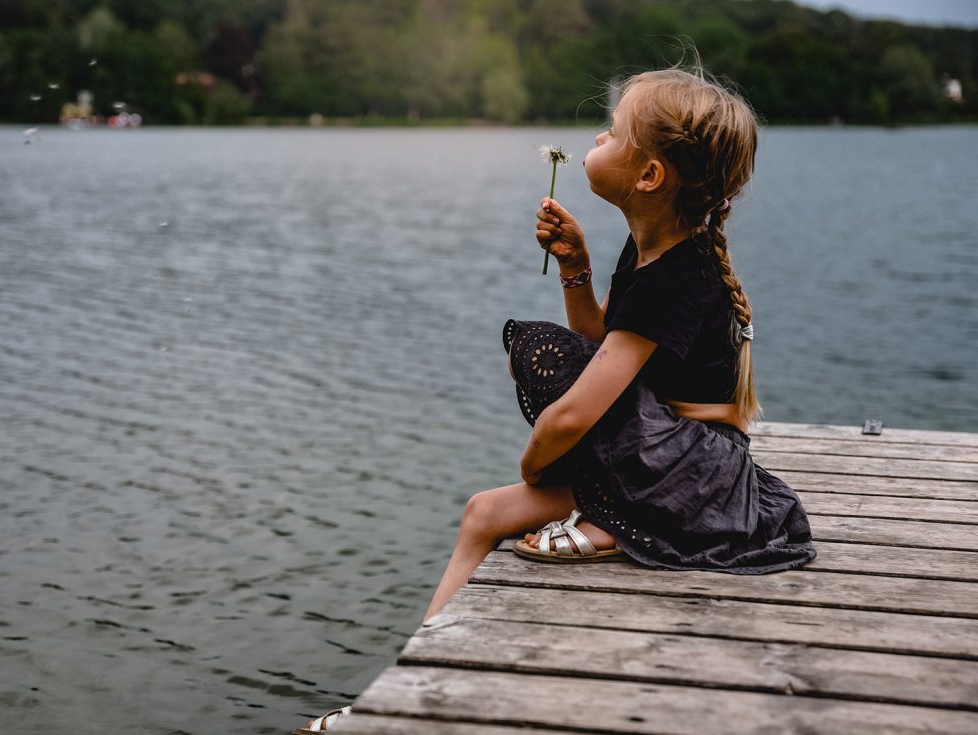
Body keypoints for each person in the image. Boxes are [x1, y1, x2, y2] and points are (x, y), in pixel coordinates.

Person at [292, 63, 817, 734]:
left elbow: (574, 410)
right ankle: (397, 696)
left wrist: (537, 462)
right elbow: (604, 347)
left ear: (649, 175)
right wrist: (576, 266)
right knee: (484, 513)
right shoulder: (649, 252)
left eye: (613, 131)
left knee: (542, 351)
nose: (597, 136)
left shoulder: (678, 276)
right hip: (656, 456)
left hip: (690, 477)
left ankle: (615, 525)